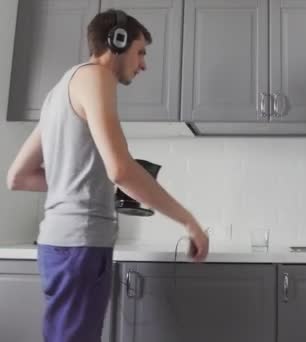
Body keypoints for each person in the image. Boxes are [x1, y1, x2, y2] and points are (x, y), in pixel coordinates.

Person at [5, 9, 209, 342]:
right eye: (140, 51)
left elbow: (18, 176)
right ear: (117, 41)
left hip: (56, 246)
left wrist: (88, 184)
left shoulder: (58, 92)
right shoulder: (96, 78)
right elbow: (121, 169)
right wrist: (189, 222)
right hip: (81, 247)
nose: (143, 64)